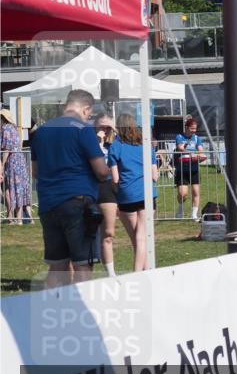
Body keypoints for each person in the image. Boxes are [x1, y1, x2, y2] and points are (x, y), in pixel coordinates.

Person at [30, 90, 110, 286]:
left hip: (48, 204)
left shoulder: (41, 131)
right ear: (86, 108)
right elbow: (101, 171)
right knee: (83, 263)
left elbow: (35, 171)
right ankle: (79, 310)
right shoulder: (83, 130)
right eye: (89, 114)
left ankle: (54, 310)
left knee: (57, 265)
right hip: (78, 202)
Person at [108, 113, 158, 273]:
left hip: (126, 196)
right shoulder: (146, 146)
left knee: (137, 239)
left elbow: (115, 179)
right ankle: (141, 273)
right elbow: (155, 176)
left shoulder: (115, 147)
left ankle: (141, 273)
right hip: (147, 195)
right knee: (142, 237)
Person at [94, 114, 119, 276]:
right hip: (89, 188)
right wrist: (96, 142)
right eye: (101, 126)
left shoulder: (114, 145)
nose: (104, 130)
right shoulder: (89, 143)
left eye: (107, 127)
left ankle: (110, 273)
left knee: (108, 232)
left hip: (107, 188)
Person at [1, 108, 32, 225]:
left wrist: (2, 164)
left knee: (13, 188)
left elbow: (6, 149)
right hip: (20, 160)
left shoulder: (6, 129)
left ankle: (17, 218)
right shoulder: (13, 129)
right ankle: (20, 217)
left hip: (12, 161)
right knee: (20, 187)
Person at [174, 116, 206, 220]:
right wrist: (191, 153)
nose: (194, 130)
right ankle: (180, 208)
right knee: (183, 193)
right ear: (186, 127)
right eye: (192, 128)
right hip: (182, 168)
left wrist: (201, 155)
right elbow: (180, 148)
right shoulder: (179, 136)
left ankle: (194, 214)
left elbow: (201, 150)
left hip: (194, 167)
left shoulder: (197, 138)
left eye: (195, 128)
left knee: (196, 192)